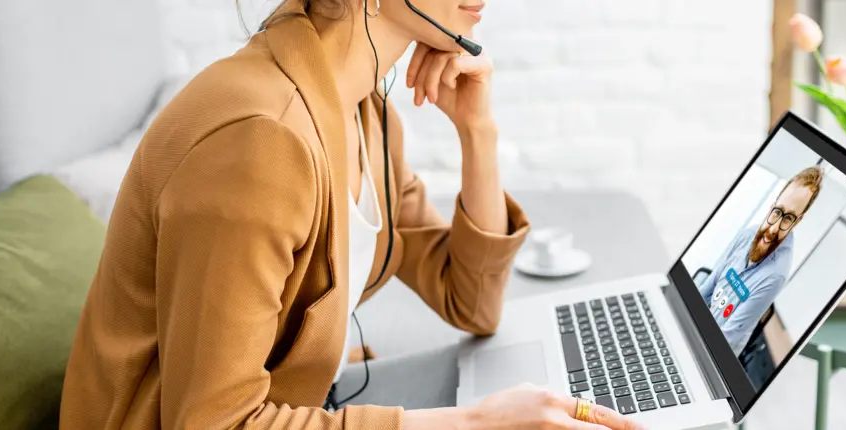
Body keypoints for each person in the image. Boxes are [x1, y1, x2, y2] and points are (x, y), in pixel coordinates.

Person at [59, 0, 643, 429]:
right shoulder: (260, 142)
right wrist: (474, 423)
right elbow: (214, 424)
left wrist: (477, 130)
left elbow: (471, 302)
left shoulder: (366, 112)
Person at [697, 166, 824, 356]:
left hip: (716, 353)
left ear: (797, 221)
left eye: (788, 218)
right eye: (777, 212)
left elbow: (726, 339)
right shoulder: (747, 234)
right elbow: (710, 285)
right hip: (702, 328)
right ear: (772, 206)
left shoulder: (776, 274)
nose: (773, 229)